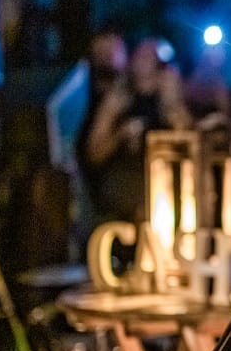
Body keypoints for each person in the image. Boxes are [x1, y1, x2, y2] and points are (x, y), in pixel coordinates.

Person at [77, 35, 192, 225]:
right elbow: (92, 154)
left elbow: (192, 146)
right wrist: (120, 133)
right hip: (123, 197)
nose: (148, 62)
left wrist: (172, 104)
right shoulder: (116, 101)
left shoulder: (173, 102)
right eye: (143, 56)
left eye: (155, 59)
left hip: (168, 198)